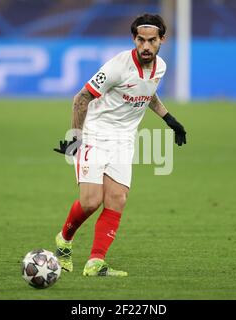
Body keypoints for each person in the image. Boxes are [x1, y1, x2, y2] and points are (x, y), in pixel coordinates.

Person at [53, 13, 187, 277]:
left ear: (162, 40)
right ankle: (64, 240)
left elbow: (147, 94)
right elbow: (81, 99)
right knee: (91, 202)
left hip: (124, 140)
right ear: (134, 39)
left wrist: (170, 119)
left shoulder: (160, 67)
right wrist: (75, 139)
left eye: (152, 41)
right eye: (140, 40)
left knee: (117, 199)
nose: (146, 46)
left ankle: (96, 262)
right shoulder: (117, 66)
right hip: (95, 134)